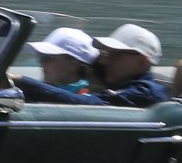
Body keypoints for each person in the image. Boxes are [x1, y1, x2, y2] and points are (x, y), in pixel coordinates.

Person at [11, 23, 169, 107]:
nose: (105, 61)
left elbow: (91, 105)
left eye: (115, 55)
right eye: (106, 54)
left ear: (142, 62)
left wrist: (22, 82)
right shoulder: (123, 87)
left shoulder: (145, 91)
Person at [21, 27, 96, 93]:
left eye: (47, 57)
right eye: (41, 56)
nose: (41, 63)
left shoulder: (92, 95)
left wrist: (21, 80)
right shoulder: (37, 90)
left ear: (73, 62)